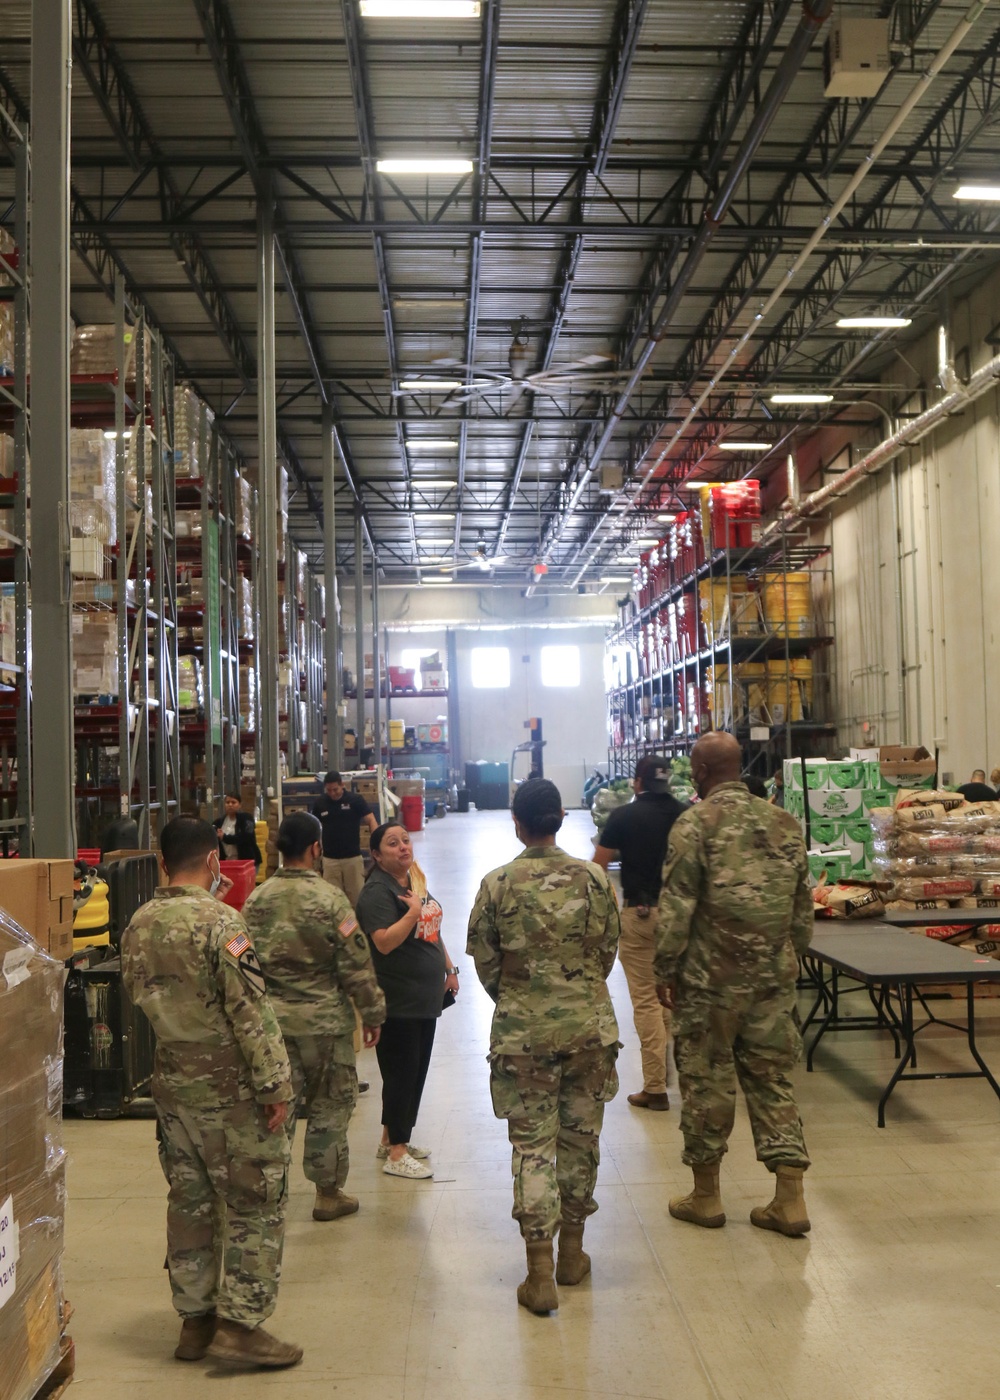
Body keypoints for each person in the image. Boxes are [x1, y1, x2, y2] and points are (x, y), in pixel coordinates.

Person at [120, 817, 301, 1370]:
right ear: (215, 860)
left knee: (191, 1201)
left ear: (161, 862)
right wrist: (275, 1085)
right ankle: (242, 1325)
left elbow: (139, 996)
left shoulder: (137, 925)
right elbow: (250, 1011)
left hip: (173, 1086)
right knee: (254, 1201)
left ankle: (194, 1323)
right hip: (232, 1091)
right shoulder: (225, 924)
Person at [467, 779, 621, 1316]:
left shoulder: (497, 884)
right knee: (580, 1141)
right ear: (560, 816)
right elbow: (606, 951)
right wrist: (574, 989)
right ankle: (572, 1256)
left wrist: (520, 997)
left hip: (523, 1035)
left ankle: (538, 1273)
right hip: (588, 1030)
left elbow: (486, 962)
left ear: (517, 821)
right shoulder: (595, 879)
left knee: (533, 1150)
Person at [654, 732, 813, 1239]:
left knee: (706, 1080)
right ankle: (789, 1200)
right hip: (771, 979)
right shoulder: (784, 822)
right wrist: (785, 961)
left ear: (699, 772)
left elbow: (677, 907)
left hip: (710, 981)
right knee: (772, 1080)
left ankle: (706, 1197)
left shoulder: (695, 824)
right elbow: (802, 910)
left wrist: (665, 969)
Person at [242, 812, 386, 1224]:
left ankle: (269, 1192)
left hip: (273, 1028)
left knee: (276, 1110)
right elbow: (355, 963)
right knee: (329, 1108)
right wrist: (373, 1012)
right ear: (316, 848)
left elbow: (239, 957)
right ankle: (327, 1194)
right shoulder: (331, 900)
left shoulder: (256, 900)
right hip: (326, 1027)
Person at [355, 820, 460, 1180]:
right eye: (392, 843)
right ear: (376, 855)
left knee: (413, 1072)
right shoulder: (376, 892)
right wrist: (413, 912)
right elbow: (383, 942)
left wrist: (449, 968)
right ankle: (398, 1153)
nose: (403, 847)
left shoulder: (413, 881)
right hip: (397, 999)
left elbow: (432, 930)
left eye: (405, 840)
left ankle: (391, 1138)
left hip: (423, 997)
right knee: (401, 1074)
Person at [593, 755, 686, 1112]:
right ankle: (668, 1072)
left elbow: (598, 867)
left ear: (637, 782)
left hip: (641, 913)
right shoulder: (684, 814)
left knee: (647, 999)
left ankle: (655, 1087)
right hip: (679, 916)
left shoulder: (623, 816)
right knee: (671, 997)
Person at [311, 771, 378, 906]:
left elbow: (371, 819)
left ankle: (357, 926)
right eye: (328, 790)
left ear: (342, 785)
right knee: (332, 901)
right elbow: (314, 828)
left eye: (335, 789)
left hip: (352, 859)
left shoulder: (355, 800)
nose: (332, 793)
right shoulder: (320, 803)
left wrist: (376, 844)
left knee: (357, 900)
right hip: (330, 860)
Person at [213, 792, 262, 868]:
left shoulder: (247, 819)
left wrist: (224, 837)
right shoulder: (218, 822)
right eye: (227, 802)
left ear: (239, 805)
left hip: (247, 862)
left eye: (233, 802)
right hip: (227, 862)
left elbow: (245, 837)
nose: (230, 805)